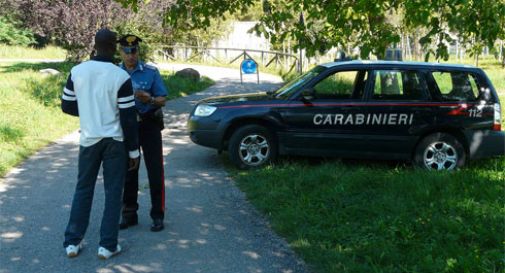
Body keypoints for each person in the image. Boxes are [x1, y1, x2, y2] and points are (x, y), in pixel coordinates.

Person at [61, 28, 140, 259]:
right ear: (115, 47)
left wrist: (87, 113)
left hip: (88, 139)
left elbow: (66, 106)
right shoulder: (120, 76)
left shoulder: (77, 71)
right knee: (113, 192)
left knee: (83, 189)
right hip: (115, 141)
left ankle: (72, 243)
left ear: (94, 45)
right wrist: (134, 151)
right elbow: (127, 117)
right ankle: (107, 245)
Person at [117, 34, 168, 232]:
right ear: (120, 52)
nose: (131, 55)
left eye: (134, 51)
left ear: (139, 51)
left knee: (155, 170)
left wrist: (150, 99)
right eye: (126, 51)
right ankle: (129, 214)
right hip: (126, 126)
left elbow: (163, 98)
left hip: (149, 123)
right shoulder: (114, 73)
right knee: (129, 170)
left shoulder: (150, 72)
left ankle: (158, 215)